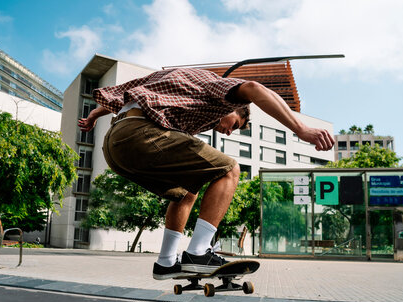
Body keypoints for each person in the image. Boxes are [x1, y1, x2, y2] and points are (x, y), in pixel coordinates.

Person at [79, 67, 334, 280]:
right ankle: (198, 253)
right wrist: (301, 129)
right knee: (229, 169)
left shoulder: (175, 83)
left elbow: (126, 94)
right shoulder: (218, 89)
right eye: (235, 125)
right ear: (234, 108)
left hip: (115, 146)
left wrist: (94, 114)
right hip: (140, 135)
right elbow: (255, 89)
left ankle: (166, 262)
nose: (229, 132)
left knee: (187, 192)